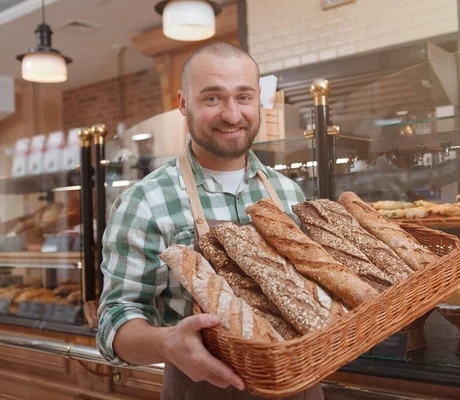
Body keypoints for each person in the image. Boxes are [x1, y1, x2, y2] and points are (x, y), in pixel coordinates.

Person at [96, 42, 324, 400]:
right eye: (213, 99)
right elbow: (114, 320)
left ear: (258, 99)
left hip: (299, 385)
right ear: (183, 103)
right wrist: (166, 342)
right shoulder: (145, 202)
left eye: (244, 97)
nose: (232, 115)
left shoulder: (289, 194)